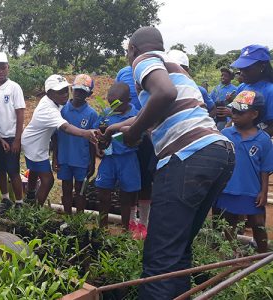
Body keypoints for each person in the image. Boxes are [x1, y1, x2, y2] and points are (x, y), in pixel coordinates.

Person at [116, 27, 234, 299]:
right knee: (178, 248)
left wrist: (133, 135)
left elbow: (164, 94)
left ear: (133, 49)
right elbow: (167, 106)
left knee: (159, 259)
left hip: (187, 158)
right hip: (218, 152)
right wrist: (119, 127)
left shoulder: (143, 60)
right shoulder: (178, 72)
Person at [22, 75, 98, 208]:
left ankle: (30, 195)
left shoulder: (55, 103)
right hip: (34, 146)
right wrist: (86, 133)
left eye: (65, 90)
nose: (64, 95)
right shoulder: (50, 110)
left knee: (34, 170)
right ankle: (34, 210)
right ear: (50, 93)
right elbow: (66, 128)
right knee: (48, 180)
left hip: (39, 142)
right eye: (59, 92)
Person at [215, 91, 272, 253]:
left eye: (240, 112)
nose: (234, 115)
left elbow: (265, 169)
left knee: (258, 224)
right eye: (233, 111)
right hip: (228, 189)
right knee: (228, 223)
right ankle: (233, 256)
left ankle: (262, 258)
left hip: (252, 191)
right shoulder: (225, 135)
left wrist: (263, 191)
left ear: (255, 114)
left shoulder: (263, 140)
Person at [95, 83, 141, 233]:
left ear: (128, 100)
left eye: (116, 103)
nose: (112, 106)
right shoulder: (106, 115)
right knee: (103, 194)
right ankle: (102, 228)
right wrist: (98, 144)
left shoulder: (136, 115)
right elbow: (98, 133)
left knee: (126, 197)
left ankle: (125, 229)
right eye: (110, 103)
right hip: (109, 159)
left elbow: (139, 137)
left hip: (127, 158)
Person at [116, 65, 154, 233]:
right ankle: (131, 220)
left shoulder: (153, 70)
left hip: (146, 132)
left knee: (145, 179)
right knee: (129, 179)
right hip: (127, 131)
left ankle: (144, 222)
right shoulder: (122, 72)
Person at [53, 74, 99, 215]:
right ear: (72, 89)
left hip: (82, 160)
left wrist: (92, 162)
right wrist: (55, 157)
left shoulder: (92, 115)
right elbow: (55, 137)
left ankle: (79, 219)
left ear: (89, 94)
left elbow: (92, 141)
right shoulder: (60, 110)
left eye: (83, 91)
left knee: (80, 192)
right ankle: (67, 217)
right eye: (77, 90)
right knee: (66, 189)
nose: (79, 94)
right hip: (64, 158)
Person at [0, 52, 26, 214]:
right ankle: (5, 199)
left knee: (13, 170)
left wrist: (17, 140)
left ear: (8, 67)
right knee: (0, 170)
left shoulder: (14, 87)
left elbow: (20, 114)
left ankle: (19, 202)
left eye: (3, 67)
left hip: (10, 138)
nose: (1, 71)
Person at [229, 45, 273, 136]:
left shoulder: (270, 91)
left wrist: (254, 140)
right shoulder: (242, 87)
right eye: (240, 69)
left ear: (262, 67)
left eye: (247, 69)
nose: (242, 74)